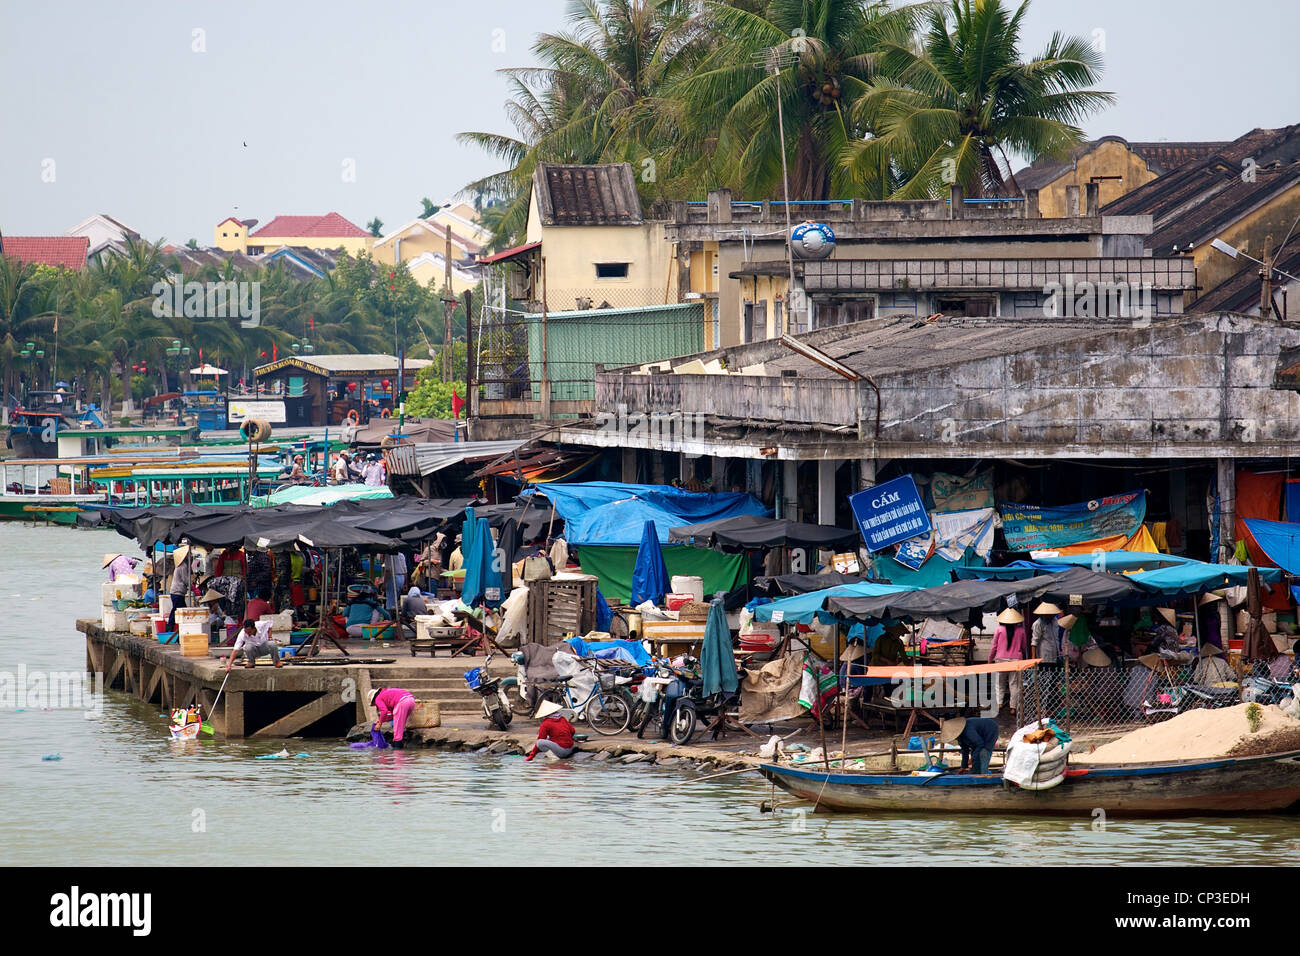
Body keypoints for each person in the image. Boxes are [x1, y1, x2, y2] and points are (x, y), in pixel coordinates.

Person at [990, 608, 1027, 712]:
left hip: (1000, 659)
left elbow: (994, 646)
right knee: (1014, 684)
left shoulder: (999, 629)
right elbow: (1023, 647)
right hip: (1016, 660)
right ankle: (1013, 707)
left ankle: (999, 703)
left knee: (999, 683)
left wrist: (990, 659)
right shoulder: (1021, 630)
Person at [165, 545, 193, 632]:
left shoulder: (181, 565)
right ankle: (170, 629)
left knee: (179, 610)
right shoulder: (183, 566)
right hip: (178, 592)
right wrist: (192, 585)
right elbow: (186, 579)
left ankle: (175, 629)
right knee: (177, 611)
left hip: (176, 592)